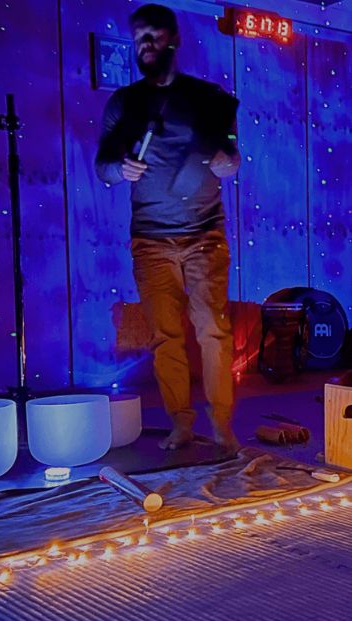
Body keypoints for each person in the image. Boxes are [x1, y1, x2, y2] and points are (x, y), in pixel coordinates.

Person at [95, 3, 241, 454]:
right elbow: (102, 167)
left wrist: (228, 161)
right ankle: (181, 424)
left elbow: (233, 156)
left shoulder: (211, 98)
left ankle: (222, 426)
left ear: (173, 39)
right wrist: (121, 169)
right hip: (152, 242)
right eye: (139, 39)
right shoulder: (124, 103)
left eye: (154, 37)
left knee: (213, 331)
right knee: (166, 336)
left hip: (204, 236)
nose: (146, 46)